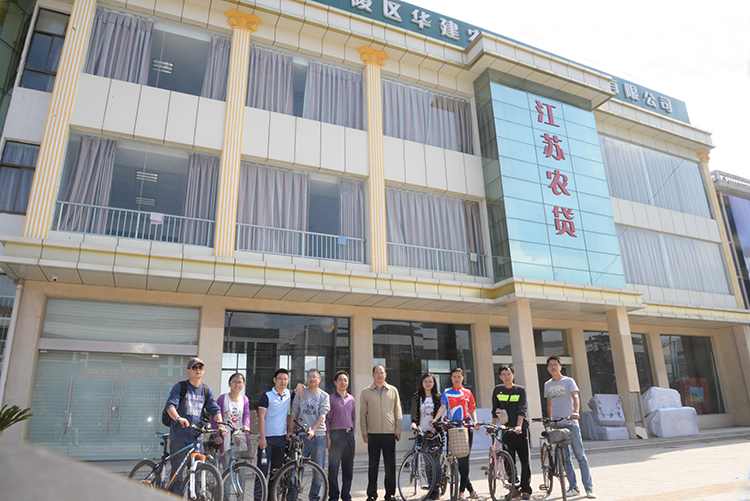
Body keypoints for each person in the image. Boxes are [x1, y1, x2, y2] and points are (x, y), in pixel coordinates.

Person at [164, 357, 225, 494]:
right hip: (179, 438)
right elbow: (170, 405)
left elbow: (214, 409)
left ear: (203, 370)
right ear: (188, 371)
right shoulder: (180, 387)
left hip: (197, 439)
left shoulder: (206, 390)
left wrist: (220, 425)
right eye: (194, 367)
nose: (198, 370)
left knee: (197, 476)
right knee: (177, 476)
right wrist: (178, 418)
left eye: (200, 367)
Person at [544, 356, 596, 499]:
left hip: (571, 423)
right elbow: (549, 403)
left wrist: (576, 412)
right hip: (557, 425)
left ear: (560, 367)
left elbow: (576, 397)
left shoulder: (569, 381)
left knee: (580, 456)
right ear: (547, 368)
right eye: (550, 365)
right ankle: (573, 487)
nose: (553, 367)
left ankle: (589, 487)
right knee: (565, 458)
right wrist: (550, 420)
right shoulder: (547, 384)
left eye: (555, 364)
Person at [431, 368, 478, 500]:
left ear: (463, 378)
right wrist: (435, 419)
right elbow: (443, 407)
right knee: (459, 459)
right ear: (451, 378)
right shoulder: (446, 392)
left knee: (464, 460)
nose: (457, 379)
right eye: (454, 377)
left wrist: (475, 421)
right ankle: (470, 488)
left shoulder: (468, 392)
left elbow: (472, 409)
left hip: (466, 428)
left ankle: (462, 491)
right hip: (452, 429)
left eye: (459, 376)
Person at [360, 364, 402, 501]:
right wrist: (364, 432)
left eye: (382, 372)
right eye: (377, 372)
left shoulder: (393, 390)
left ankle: (390, 494)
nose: (379, 375)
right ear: (373, 375)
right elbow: (363, 414)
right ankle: (372, 494)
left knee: (390, 466)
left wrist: (398, 429)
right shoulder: (366, 392)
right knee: (373, 466)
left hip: (389, 433)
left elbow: (398, 411)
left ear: (385, 374)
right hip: (373, 434)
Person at [491, 365, 531, 500]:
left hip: (520, 430)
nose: (506, 377)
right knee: (508, 461)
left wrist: (519, 426)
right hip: (506, 430)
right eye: (503, 374)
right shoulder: (497, 390)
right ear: (500, 377)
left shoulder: (520, 390)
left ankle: (526, 489)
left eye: (509, 374)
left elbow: (522, 409)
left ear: (513, 375)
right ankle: (514, 488)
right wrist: (493, 426)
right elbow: (495, 410)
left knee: (525, 461)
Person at [291, 369, 331, 501]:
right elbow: (294, 411)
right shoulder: (301, 392)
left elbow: (322, 416)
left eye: (314, 376)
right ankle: (293, 497)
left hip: (318, 436)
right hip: (302, 436)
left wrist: (313, 430)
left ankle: (314, 497)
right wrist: (290, 431)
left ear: (320, 379)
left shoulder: (324, 396)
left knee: (318, 470)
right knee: (297, 468)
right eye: (309, 377)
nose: (312, 379)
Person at [257, 368, 293, 482]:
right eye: (280, 379)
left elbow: (300, 389)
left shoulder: (289, 394)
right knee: (262, 472)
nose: (283, 381)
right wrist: (262, 438)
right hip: (267, 439)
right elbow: (261, 417)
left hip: (281, 439)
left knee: (276, 473)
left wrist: (300, 385)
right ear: (274, 380)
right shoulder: (266, 396)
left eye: (285, 379)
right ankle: (259, 493)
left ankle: (272, 493)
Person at [410, 373, 441, 500]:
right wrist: (414, 423)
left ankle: (436, 489)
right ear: (422, 383)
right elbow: (414, 411)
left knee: (436, 462)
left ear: (434, 383)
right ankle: (431, 487)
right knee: (427, 463)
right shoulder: (417, 396)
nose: (428, 383)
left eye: (430, 381)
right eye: (425, 381)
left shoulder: (438, 397)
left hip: (435, 433)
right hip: (422, 434)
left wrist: (435, 427)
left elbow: (440, 412)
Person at [326, 370, 356, 501]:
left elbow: (353, 417)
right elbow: (327, 420)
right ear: (335, 382)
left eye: (345, 380)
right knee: (333, 468)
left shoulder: (351, 398)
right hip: (335, 436)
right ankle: (333, 496)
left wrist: (352, 433)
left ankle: (346, 495)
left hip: (349, 436)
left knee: (348, 469)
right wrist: (328, 437)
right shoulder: (330, 398)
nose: (343, 382)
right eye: (340, 380)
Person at [211, 372, 251, 468]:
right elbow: (214, 417)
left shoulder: (244, 399)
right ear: (229, 384)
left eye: (239, 382)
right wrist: (216, 435)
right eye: (234, 382)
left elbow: (247, 414)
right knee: (227, 469)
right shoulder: (222, 398)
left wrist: (246, 426)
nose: (237, 385)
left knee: (241, 468)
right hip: (226, 438)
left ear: (243, 384)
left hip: (241, 438)